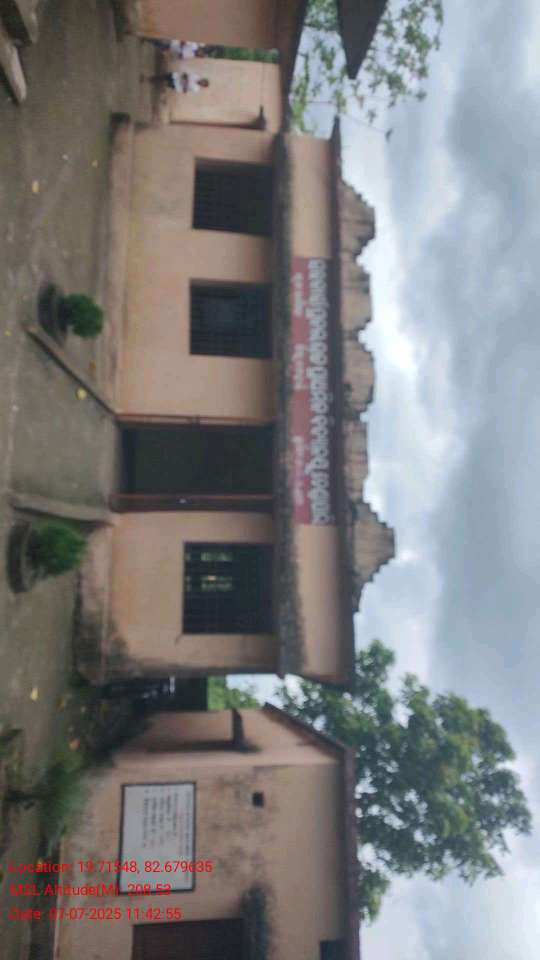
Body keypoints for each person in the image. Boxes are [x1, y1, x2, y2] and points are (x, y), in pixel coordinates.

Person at [144, 71, 210, 94]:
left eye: (203, 84)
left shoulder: (196, 89)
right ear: (203, 79)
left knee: (163, 83)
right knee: (163, 76)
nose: (202, 82)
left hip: (177, 86)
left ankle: (149, 81)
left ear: (202, 86)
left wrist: (185, 84)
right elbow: (186, 74)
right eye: (203, 81)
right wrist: (185, 79)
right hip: (177, 76)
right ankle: (149, 78)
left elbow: (185, 91)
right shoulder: (196, 76)